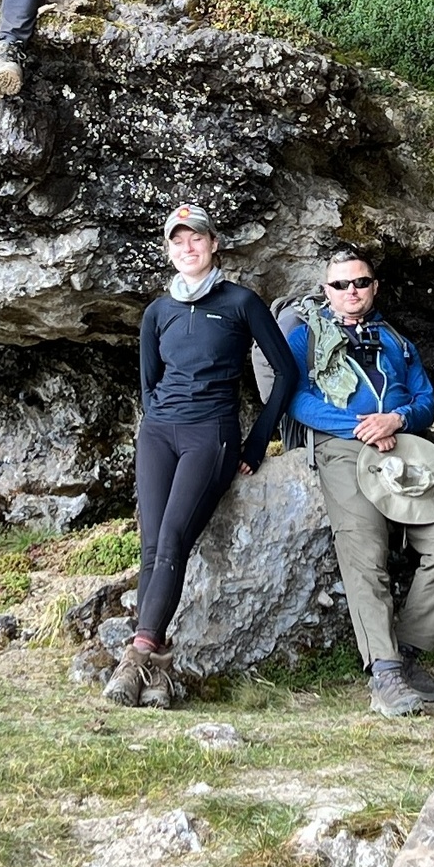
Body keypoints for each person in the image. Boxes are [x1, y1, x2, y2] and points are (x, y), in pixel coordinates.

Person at [104, 205, 304, 709]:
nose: (186, 248)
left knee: (172, 537)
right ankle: (156, 675)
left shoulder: (240, 302)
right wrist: (159, 421)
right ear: (169, 250)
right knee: (152, 544)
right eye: (177, 241)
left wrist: (257, 442)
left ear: (214, 244)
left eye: (195, 239)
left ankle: (134, 659)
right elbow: (149, 384)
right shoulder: (157, 312)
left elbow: (285, 373)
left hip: (210, 434)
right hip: (158, 434)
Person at [280, 246, 434, 717]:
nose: (352, 292)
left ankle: (404, 655)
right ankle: (384, 675)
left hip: (401, 443)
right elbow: (295, 398)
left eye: (360, 282)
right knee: (364, 549)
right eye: (341, 285)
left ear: (374, 287)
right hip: (343, 446)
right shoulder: (305, 337)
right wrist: (363, 426)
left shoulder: (397, 342)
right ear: (327, 291)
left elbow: (426, 400)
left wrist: (398, 419)